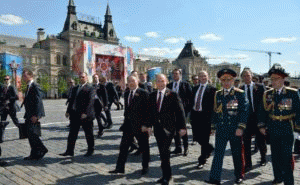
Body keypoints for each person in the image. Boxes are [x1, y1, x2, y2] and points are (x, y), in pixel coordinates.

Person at [206, 68, 249, 185]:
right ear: (220, 81)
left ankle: (239, 175)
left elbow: (244, 111)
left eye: (228, 80)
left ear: (233, 80)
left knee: (237, 154)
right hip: (221, 129)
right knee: (218, 154)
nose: (226, 82)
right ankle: (214, 178)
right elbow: (215, 111)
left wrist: (241, 127)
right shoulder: (217, 94)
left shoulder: (239, 94)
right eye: (223, 80)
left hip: (235, 129)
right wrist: (213, 127)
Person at [259, 64, 300, 185]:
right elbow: (262, 111)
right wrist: (261, 126)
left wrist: (297, 130)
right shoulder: (268, 94)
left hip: (287, 127)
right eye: (272, 79)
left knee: (286, 158)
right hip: (273, 128)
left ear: (283, 79)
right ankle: (278, 177)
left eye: (276, 78)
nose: (274, 81)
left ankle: (289, 182)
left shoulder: (292, 93)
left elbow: (299, 111)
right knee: (275, 156)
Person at [149, 74, 186, 185]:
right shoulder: (153, 95)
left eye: (162, 81)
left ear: (166, 82)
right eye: (158, 81)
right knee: (162, 152)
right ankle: (165, 175)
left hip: (169, 129)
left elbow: (180, 112)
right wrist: (148, 126)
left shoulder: (172, 94)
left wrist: (182, 127)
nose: (160, 83)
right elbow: (150, 112)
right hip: (157, 129)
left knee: (165, 152)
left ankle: (167, 176)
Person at [109, 75, 150, 175]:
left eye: (133, 81)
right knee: (123, 147)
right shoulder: (127, 93)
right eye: (129, 81)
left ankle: (145, 167)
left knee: (144, 147)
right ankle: (120, 168)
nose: (131, 83)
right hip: (128, 125)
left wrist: (147, 125)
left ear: (137, 81)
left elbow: (149, 110)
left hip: (141, 126)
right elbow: (127, 109)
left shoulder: (143, 93)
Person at [60, 72, 96, 157]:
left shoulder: (91, 88)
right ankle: (69, 150)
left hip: (85, 115)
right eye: (80, 77)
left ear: (86, 78)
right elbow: (71, 100)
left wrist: (86, 113)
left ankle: (91, 150)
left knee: (88, 133)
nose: (81, 78)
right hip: (75, 114)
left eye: (83, 77)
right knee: (72, 134)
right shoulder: (75, 88)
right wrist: (68, 111)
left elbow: (90, 101)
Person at [240, 68, 267, 172]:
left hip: (258, 119)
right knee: (246, 142)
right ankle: (248, 164)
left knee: (261, 141)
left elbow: (265, 104)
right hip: (246, 120)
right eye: (244, 76)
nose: (246, 78)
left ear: (251, 76)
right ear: (242, 77)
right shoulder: (241, 89)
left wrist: (264, 120)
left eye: (248, 75)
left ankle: (263, 158)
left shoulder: (260, 87)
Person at [190, 71, 216, 169]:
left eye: (204, 75)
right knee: (197, 137)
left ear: (207, 76)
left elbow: (214, 106)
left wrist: (213, 120)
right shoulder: (194, 88)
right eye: (200, 76)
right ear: (198, 78)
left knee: (204, 139)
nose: (203, 77)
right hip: (196, 116)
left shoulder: (212, 89)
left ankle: (202, 159)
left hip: (206, 118)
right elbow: (192, 102)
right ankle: (209, 147)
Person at [22, 69, 48, 160]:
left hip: (33, 115)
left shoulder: (35, 86)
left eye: (25, 76)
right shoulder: (28, 86)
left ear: (30, 76)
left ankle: (42, 149)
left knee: (33, 134)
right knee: (30, 135)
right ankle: (34, 153)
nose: (23, 77)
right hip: (29, 114)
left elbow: (38, 101)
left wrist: (36, 115)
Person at [167, 68, 192, 156]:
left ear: (180, 74)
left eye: (176, 74)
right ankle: (178, 148)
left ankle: (186, 148)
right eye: (173, 74)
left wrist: (187, 109)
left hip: (182, 111)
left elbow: (190, 97)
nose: (175, 75)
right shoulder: (169, 85)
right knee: (174, 130)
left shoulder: (185, 85)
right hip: (171, 112)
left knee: (183, 129)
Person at [0, 75, 21, 142]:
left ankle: (23, 133)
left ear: (10, 80)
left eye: (7, 79)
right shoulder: (2, 87)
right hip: (3, 108)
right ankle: (1, 138)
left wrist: (9, 99)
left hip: (11, 107)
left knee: (16, 122)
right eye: (5, 79)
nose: (6, 80)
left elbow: (16, 97)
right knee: (2, 123)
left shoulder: (12, 87)